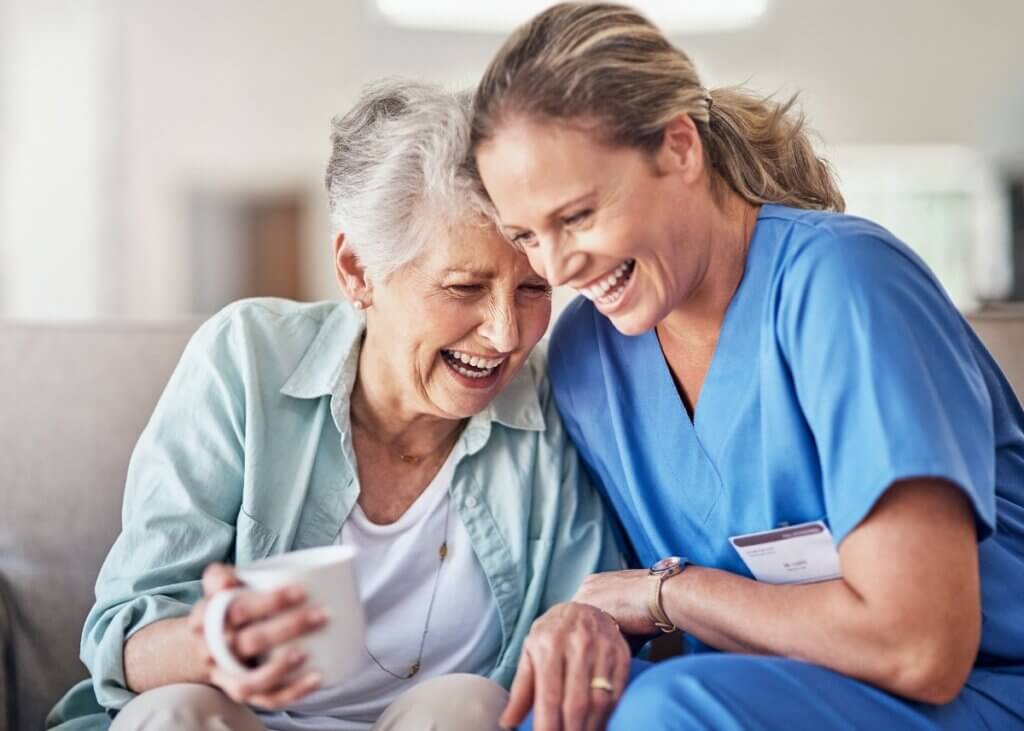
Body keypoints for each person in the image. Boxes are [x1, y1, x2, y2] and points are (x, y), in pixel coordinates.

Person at [469, 3, 1024, 730]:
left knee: (665, 710)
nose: (560, 265)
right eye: (526, 236)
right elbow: (653, 621)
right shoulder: (588, 358)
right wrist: (592, 626)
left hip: (982, 688)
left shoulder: (845, 285)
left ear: (678, 148)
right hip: (783, 690)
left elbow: (919, 647)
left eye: (576, 217)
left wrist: (669, 594)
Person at [46, 79, 622, 731]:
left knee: (464, 706)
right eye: (464, 286)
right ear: (357, 271)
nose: (506, 334)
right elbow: (123, 640)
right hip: (239, 719)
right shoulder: (246, 359)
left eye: (532, 288)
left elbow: (589, 617)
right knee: (179, 709)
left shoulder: (550, 401)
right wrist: (213, 643)